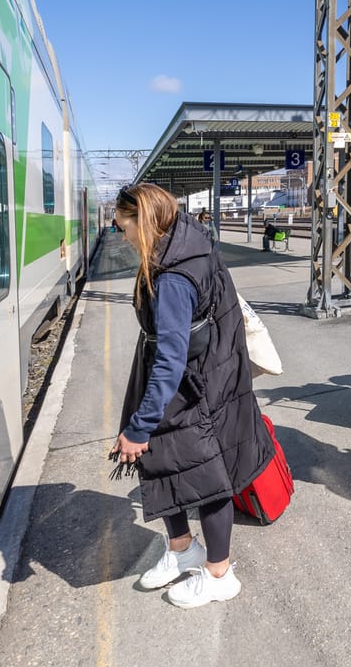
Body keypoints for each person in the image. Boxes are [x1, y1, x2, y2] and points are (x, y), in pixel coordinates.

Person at [111, 183, 274, 608]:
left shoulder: (173, 277)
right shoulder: (185, 242)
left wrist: (139, 425)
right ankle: (184, 549)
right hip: (201, 376)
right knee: (166, 462)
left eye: (122, 226)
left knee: (207, 473)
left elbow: (170, 356)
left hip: (195, 384)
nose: (121, 235)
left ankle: (219, 573)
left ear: (142, 222)